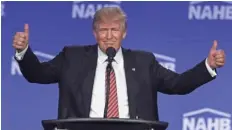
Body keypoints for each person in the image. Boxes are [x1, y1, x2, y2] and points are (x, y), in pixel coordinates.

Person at [13, 7, 225, 121]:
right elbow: (37, 74)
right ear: (95, 33)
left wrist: (207, 65)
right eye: (103, 30)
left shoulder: (144, 62)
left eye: (114, 30)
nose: (109, 36)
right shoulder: (72, 57)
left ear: (124, 33)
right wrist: (23, 51)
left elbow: (178, 84)